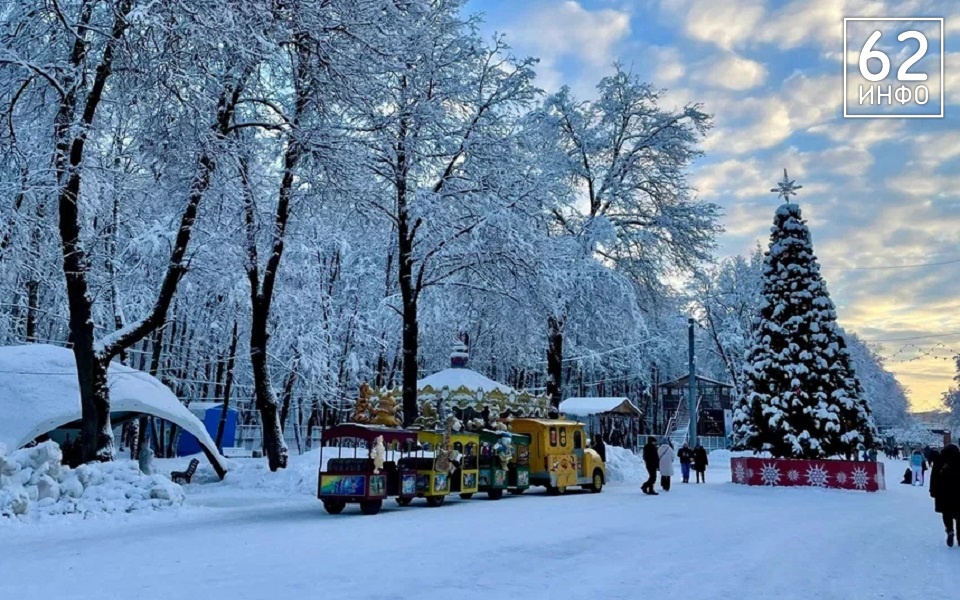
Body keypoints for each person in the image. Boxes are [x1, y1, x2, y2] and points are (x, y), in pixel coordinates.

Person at [930, 444, 960, 547]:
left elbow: (934, 477)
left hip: (943, 493)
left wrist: (933, 491)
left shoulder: (939, 460)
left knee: (946, 514)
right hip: (958, 494)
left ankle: (950, 530)